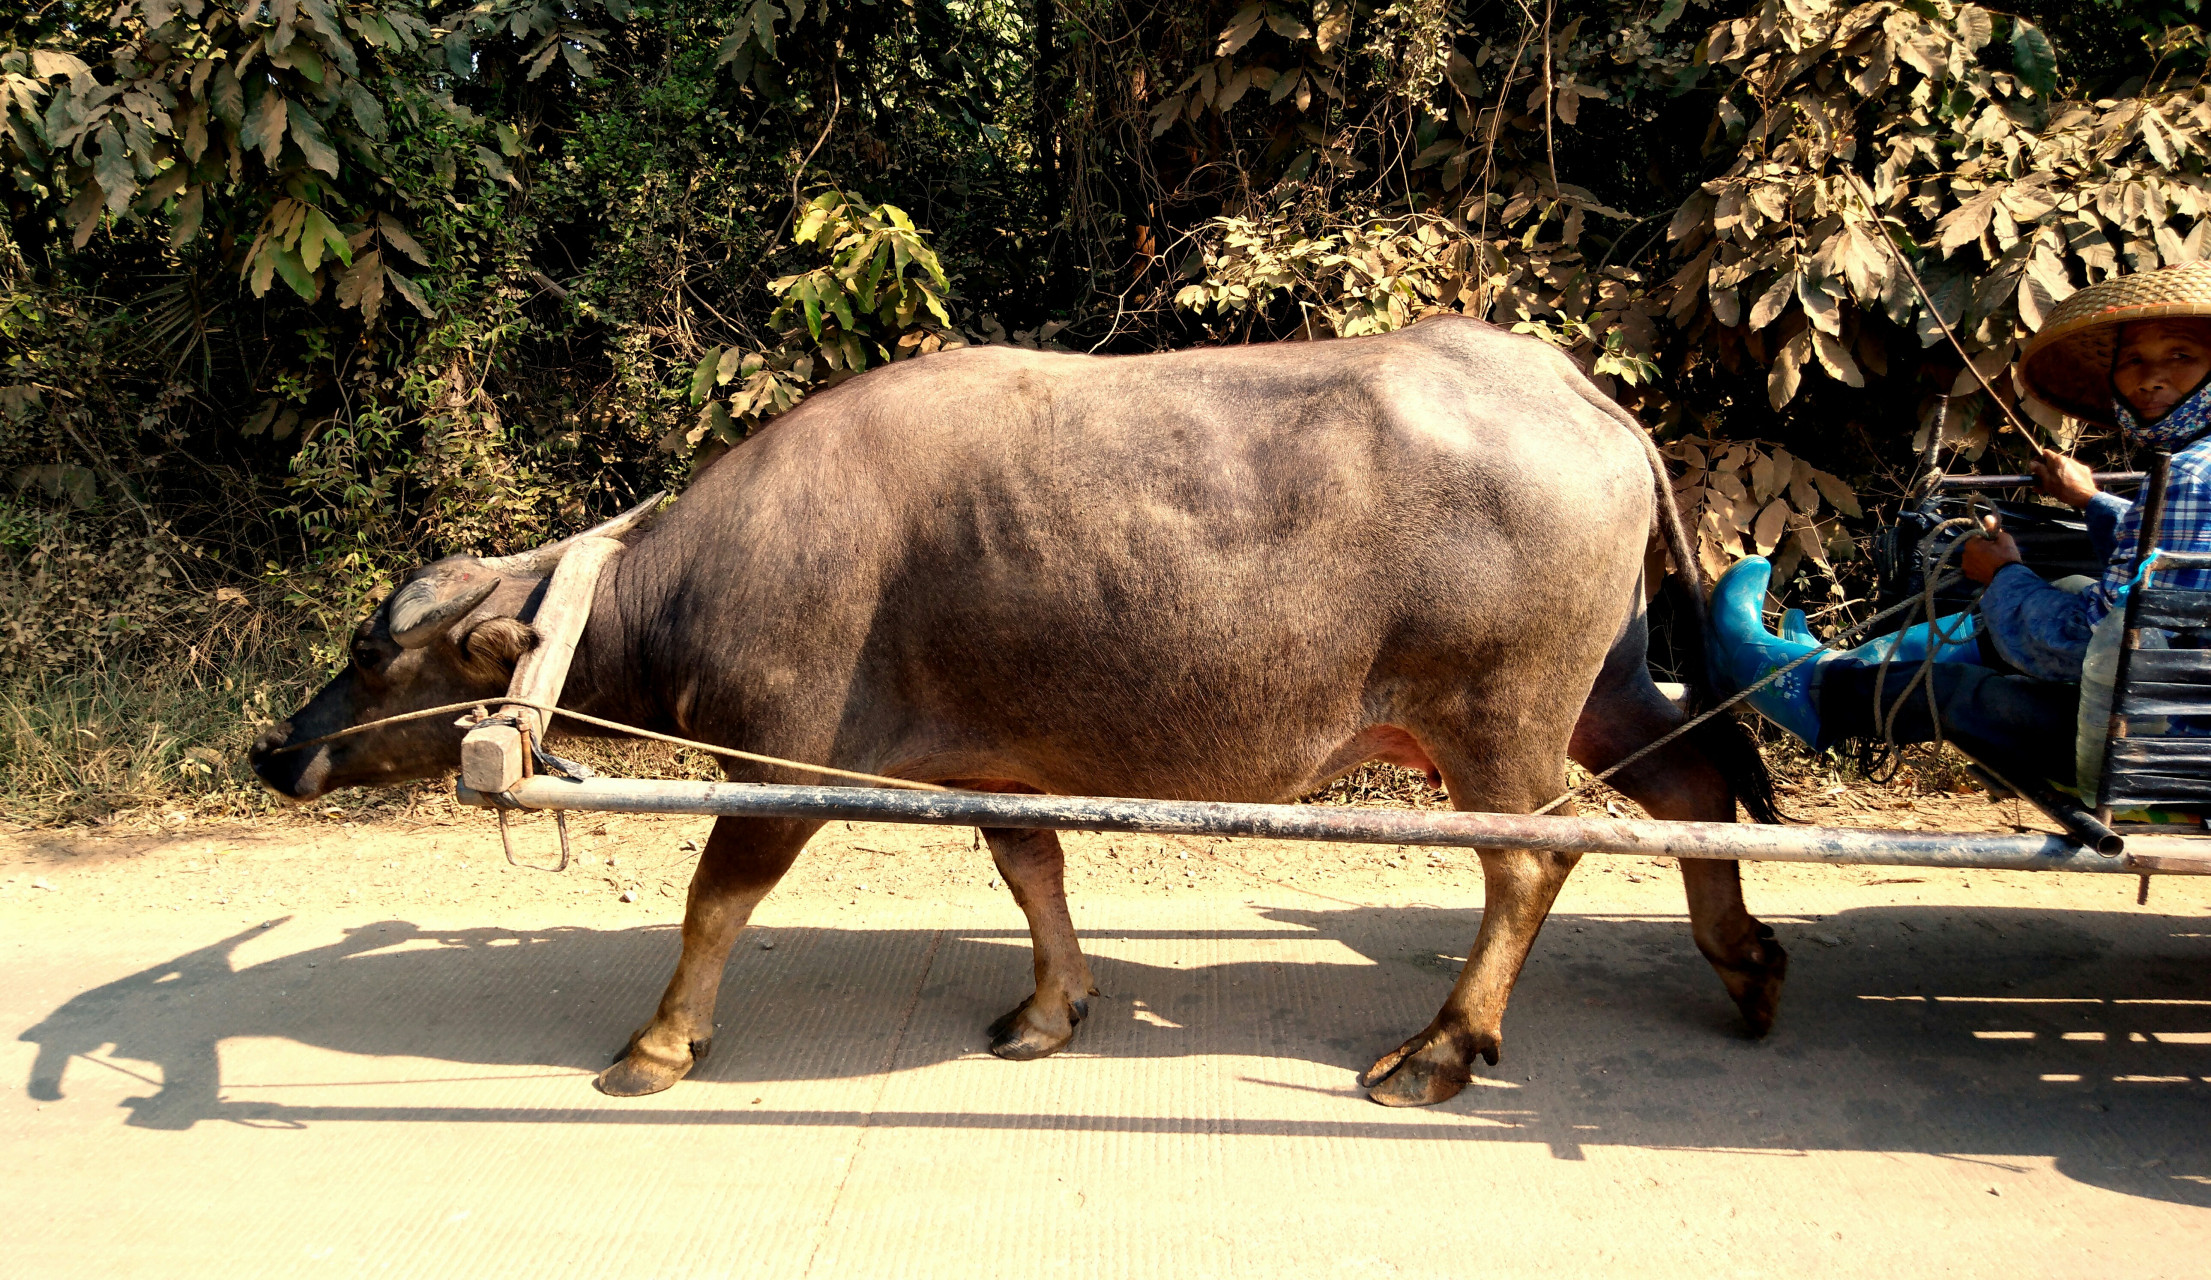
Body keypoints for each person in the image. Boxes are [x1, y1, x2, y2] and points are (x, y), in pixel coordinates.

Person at [1706, 262, 2211, 785]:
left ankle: (1805, 690)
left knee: (1954, 689)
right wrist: (2089, 500)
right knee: (2072, 586)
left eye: (2181, 356)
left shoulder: (2188, 478)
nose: (2152, 377)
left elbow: (2077, 645)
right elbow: (2164, 556)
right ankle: (1844, 665)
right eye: (2134, 360)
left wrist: (2003, 577)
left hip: (2161, 757)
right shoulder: (2196, 471)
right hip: (2182, 730)